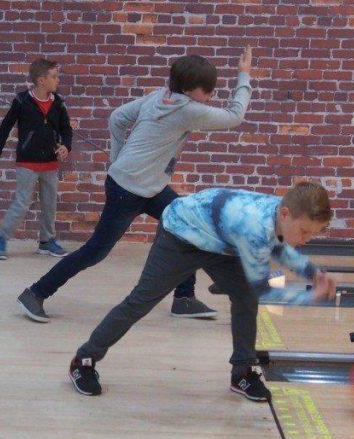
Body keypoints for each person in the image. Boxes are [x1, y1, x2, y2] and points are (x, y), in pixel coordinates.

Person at [17, 49, 255, 323]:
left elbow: (117, 117)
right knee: (95, 251)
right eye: (208, 91)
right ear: (190, 90)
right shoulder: (187, 110)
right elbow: (235, 116)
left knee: (188, 224)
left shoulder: (160, 96)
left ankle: (184, 299)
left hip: (149, 187)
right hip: (127, 190)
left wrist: (117, 158)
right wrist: (244, 75)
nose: (211, 96)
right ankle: (35, 293)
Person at [68, 182, 337, 403]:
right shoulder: (254, 225)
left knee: (243, 298)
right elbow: (263, 290)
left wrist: (312, 272)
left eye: (311, 235)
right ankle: (83, 360)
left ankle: (242, 373)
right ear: (285, 214)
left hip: (218, 241)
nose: (305, 240)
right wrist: (310, 296)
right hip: (181, 235)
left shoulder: (279, 212)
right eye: (303, 231)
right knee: (141, 301)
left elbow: (278, 247)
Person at [0, 58, 73, 260]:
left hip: (50, 163)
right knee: (22, 202)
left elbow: (66, 129)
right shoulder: (21, 101)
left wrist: (66, 146)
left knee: (49, 204)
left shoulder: (58, 103)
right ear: (41, 80)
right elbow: (5, 127)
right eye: (54, 77)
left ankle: (46, 241)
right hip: (27, 163)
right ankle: (0, 239)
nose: (57, 80)